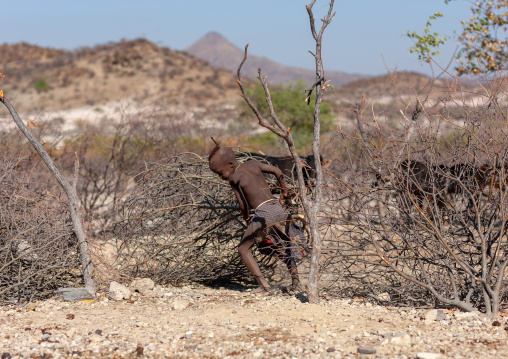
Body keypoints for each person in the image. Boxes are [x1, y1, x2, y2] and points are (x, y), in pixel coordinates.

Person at [208, 138, 308, 295]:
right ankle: (296, 283)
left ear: (230, 165)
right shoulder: (253, 163)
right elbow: (278, 171)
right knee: (286, 244)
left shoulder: (234, 178)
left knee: (243, 249)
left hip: (263, 215)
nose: (221, 177)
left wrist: (247, 219)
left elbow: (242, 205)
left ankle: (264, 287)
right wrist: (284, 192)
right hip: (278, 209)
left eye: (220, 173)